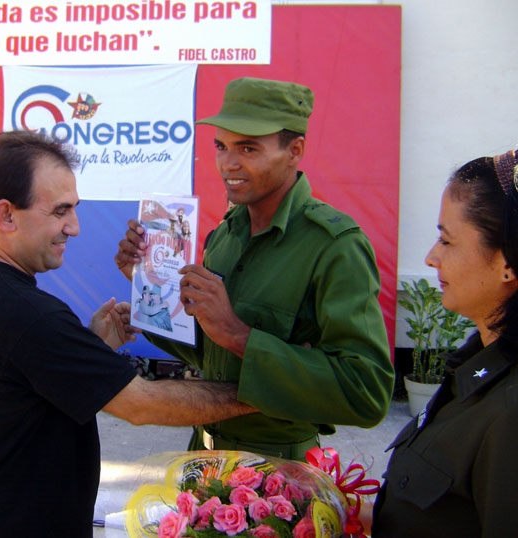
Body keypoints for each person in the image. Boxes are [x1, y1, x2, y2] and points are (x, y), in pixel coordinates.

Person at [0, 131, 255, 538]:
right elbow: (142, 406)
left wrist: (90, 350)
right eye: (60, 211)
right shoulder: (27, 315)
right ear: (6, 216)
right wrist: (264, 393)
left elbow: (19, 383)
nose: (73, 226)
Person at [115, 77, 394, 461]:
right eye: (221, 146)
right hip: (203, 460)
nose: (228, 163)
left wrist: (239, 334)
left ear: (294, 150)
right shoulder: (225, 236)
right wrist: (146, 285)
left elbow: (368, 392)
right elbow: (211, 355)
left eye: (248, 147)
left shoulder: (334, 246)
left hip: (280, 478)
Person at [371, 149, 518, 537]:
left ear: (508, 263)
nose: (431, 257)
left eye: (447, 241)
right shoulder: (475, 365)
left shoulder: (510, 413)